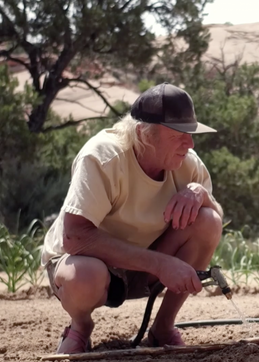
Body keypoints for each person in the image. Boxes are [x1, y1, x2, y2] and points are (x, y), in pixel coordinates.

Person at [41, 82, 224, 354]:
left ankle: (163, 328)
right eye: (179, 134)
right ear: (144, 134)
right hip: (86, 264)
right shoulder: (103, 157)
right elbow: (75, 237)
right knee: (86, 277)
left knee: (207, 220)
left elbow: (215, 221)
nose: (190, 143)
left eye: (191, 133)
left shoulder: (187, 162)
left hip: (144, 267)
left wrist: (200, 194)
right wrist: (162, 265)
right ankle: (80, 327)